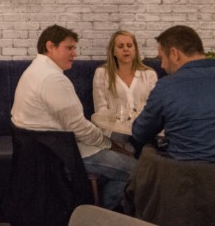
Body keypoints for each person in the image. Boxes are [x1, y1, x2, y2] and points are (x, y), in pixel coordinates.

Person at [11, 24, 136, 210]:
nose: (74, 53)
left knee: (122, 164)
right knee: (137, 169)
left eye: (74, 48)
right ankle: (100, 219)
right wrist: (110, 144)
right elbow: (79, 127)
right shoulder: (52, 79)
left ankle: (98, 211)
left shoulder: (35, 70)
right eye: (69, 48)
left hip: (41, 152)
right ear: (50, 46)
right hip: (59, 154)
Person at [132, 25, 215, 164]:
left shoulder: (167, 86)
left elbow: (140, 132)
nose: (162, 65)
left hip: (185, 178)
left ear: (175, 54)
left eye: (161, 58)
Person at [92, 30, 157, 150]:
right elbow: (101, 110)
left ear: (135, 49)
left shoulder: (149, 74)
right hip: (115, 132)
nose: (126, 49)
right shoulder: (102, 73)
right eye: (120, 46)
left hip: (143, 130)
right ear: (114, 52)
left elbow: (154, 107)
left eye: (129, 45)